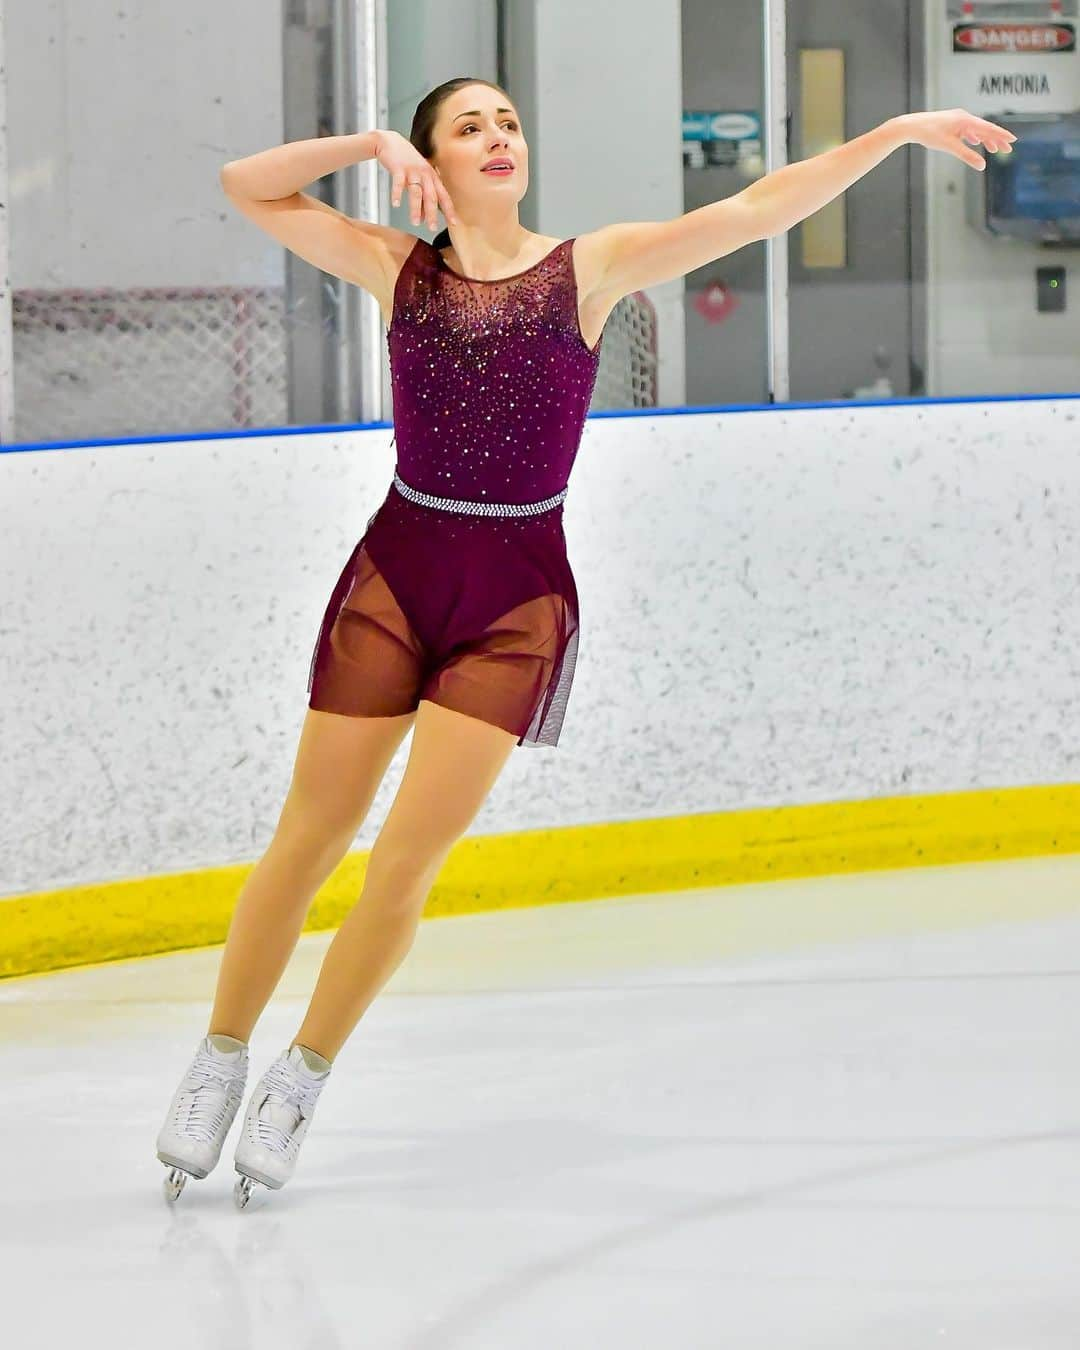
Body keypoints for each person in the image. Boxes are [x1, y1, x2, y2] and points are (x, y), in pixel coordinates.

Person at [156, 78, 1016, 1207]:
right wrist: (366, 142)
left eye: (507, 121)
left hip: (514, 604)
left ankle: (300, 1078)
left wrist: (895, 133)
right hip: (395, 577)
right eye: (468, 126)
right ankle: (220, 1059)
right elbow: (245, 186)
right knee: (309, 838)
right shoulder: (394, 266)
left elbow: (757, 210)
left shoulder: (589, 269)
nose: (496, 136)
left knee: (406, 862)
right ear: (430, 162)